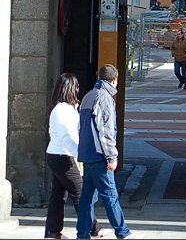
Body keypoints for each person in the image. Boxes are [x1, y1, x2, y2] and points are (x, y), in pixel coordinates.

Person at [76, 65, 137, 240]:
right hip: (100, 156)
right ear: (114, 80)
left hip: (87, 155)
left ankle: (83, 234)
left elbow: (81, 128)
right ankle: (122, 232)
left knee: (86, 199)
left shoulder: (88, 96)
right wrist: (112, 156)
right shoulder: (105, 98)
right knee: (110, 196)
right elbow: (106, 131)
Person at [44, 73, 103, 240]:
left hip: (58, 155)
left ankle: (53, 231)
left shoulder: (65, 108)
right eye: (76, 87)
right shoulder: (62, 110)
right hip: (64, 156)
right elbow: (66, 137)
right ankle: (93, 228)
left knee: (58, 195)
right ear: (71, 88)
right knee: (81, 193)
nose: (78, 90)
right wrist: (81, 156)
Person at [170, 26, 186, 90]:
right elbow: (172, 48)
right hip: (177, 58)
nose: (178, 35)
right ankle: (181, 80)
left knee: (184, 72)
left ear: (182, 34)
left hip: (184, 59)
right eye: (177, 34)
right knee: (176, 72)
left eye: (180, 34)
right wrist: (173, 53)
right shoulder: (175, 41)